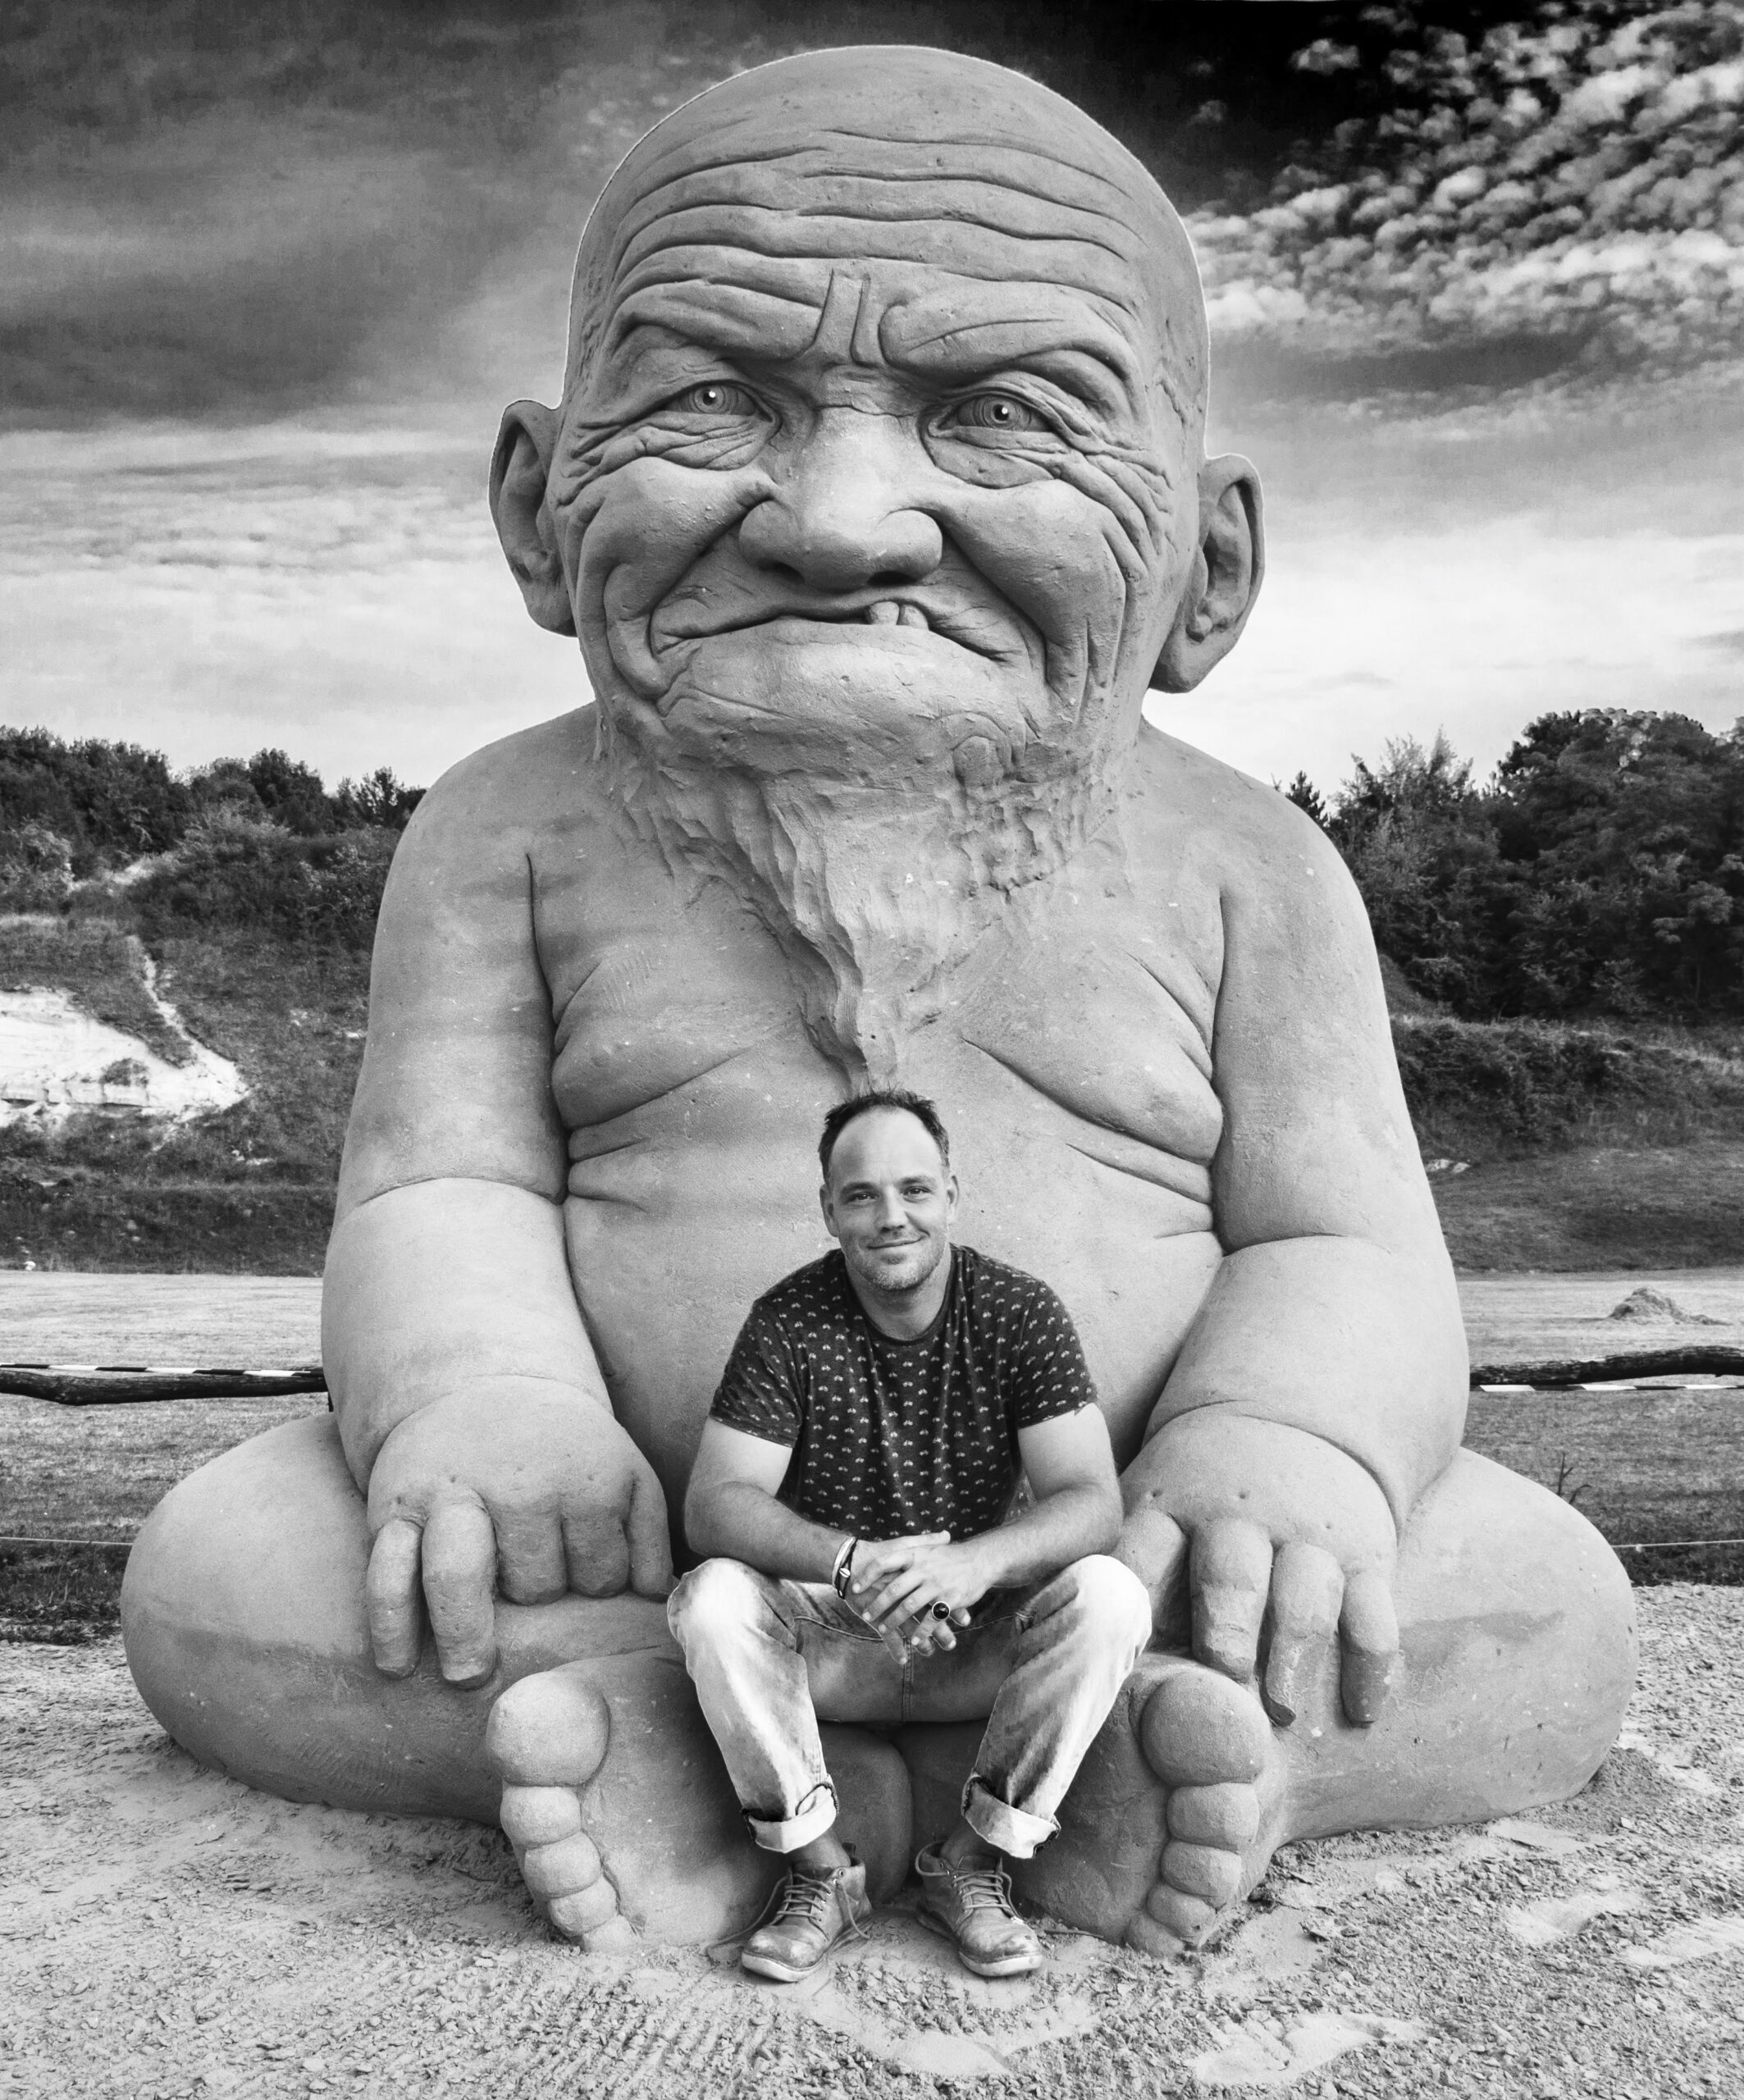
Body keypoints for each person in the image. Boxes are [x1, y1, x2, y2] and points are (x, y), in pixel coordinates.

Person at [122, 45, 1633, 1958]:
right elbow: (441, 1188)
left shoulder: (1247, 869)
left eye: (997, 413)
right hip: (658, 1577)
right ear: (532, 502)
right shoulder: (506, 834)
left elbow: (1338, 1239)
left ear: (1206, 559)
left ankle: (1159, 1755)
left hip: (1121, 1574)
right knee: (216, 1569)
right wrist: (483, 1396)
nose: (840, 519)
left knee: (1539, 1606)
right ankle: (662, 1733)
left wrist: (1283, 1447)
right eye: (708, 397)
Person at [671, 1089, 1151, 1980]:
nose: (890, 1216)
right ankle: (820, 1876)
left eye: (913, 1190)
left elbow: (1091, 1500)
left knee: (1109, 1593)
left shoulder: (1019, 1312)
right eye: (860, 1195)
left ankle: (970, 1866)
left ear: (951, 1196)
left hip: (973, 1640)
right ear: (827, 1209)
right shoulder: (788, 1321)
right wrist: (851, 1566)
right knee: (710, 1599)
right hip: (835, 1642)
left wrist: (970, 1565)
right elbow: (713, 1504)